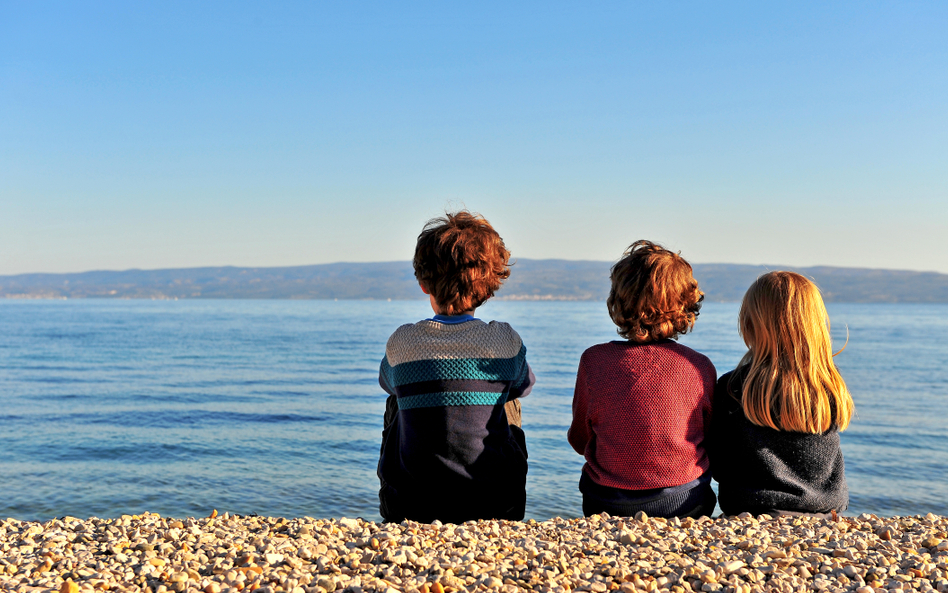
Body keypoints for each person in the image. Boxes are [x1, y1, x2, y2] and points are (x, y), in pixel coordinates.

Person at [377, 211, 535, 523]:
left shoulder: (402, 340)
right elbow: (524, 385)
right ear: (489, 289)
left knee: (398, 398)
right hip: (495, 506)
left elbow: (387, 382)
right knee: (508, 397)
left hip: (409, 508)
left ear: (423, 283)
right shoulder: (504, 339)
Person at [568, 240, 717, 518]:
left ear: (619, 299)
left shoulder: (594, 360)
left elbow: (579, 440)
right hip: (684, 501)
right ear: (686, 303)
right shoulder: (698, 366)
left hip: (607, 502)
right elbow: (709, 439)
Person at [709, 271, 854, 517]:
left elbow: (719, 466)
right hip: (823, 513)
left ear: (750, 324)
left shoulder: (733, 387)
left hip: (749, 510)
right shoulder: (829, 383)